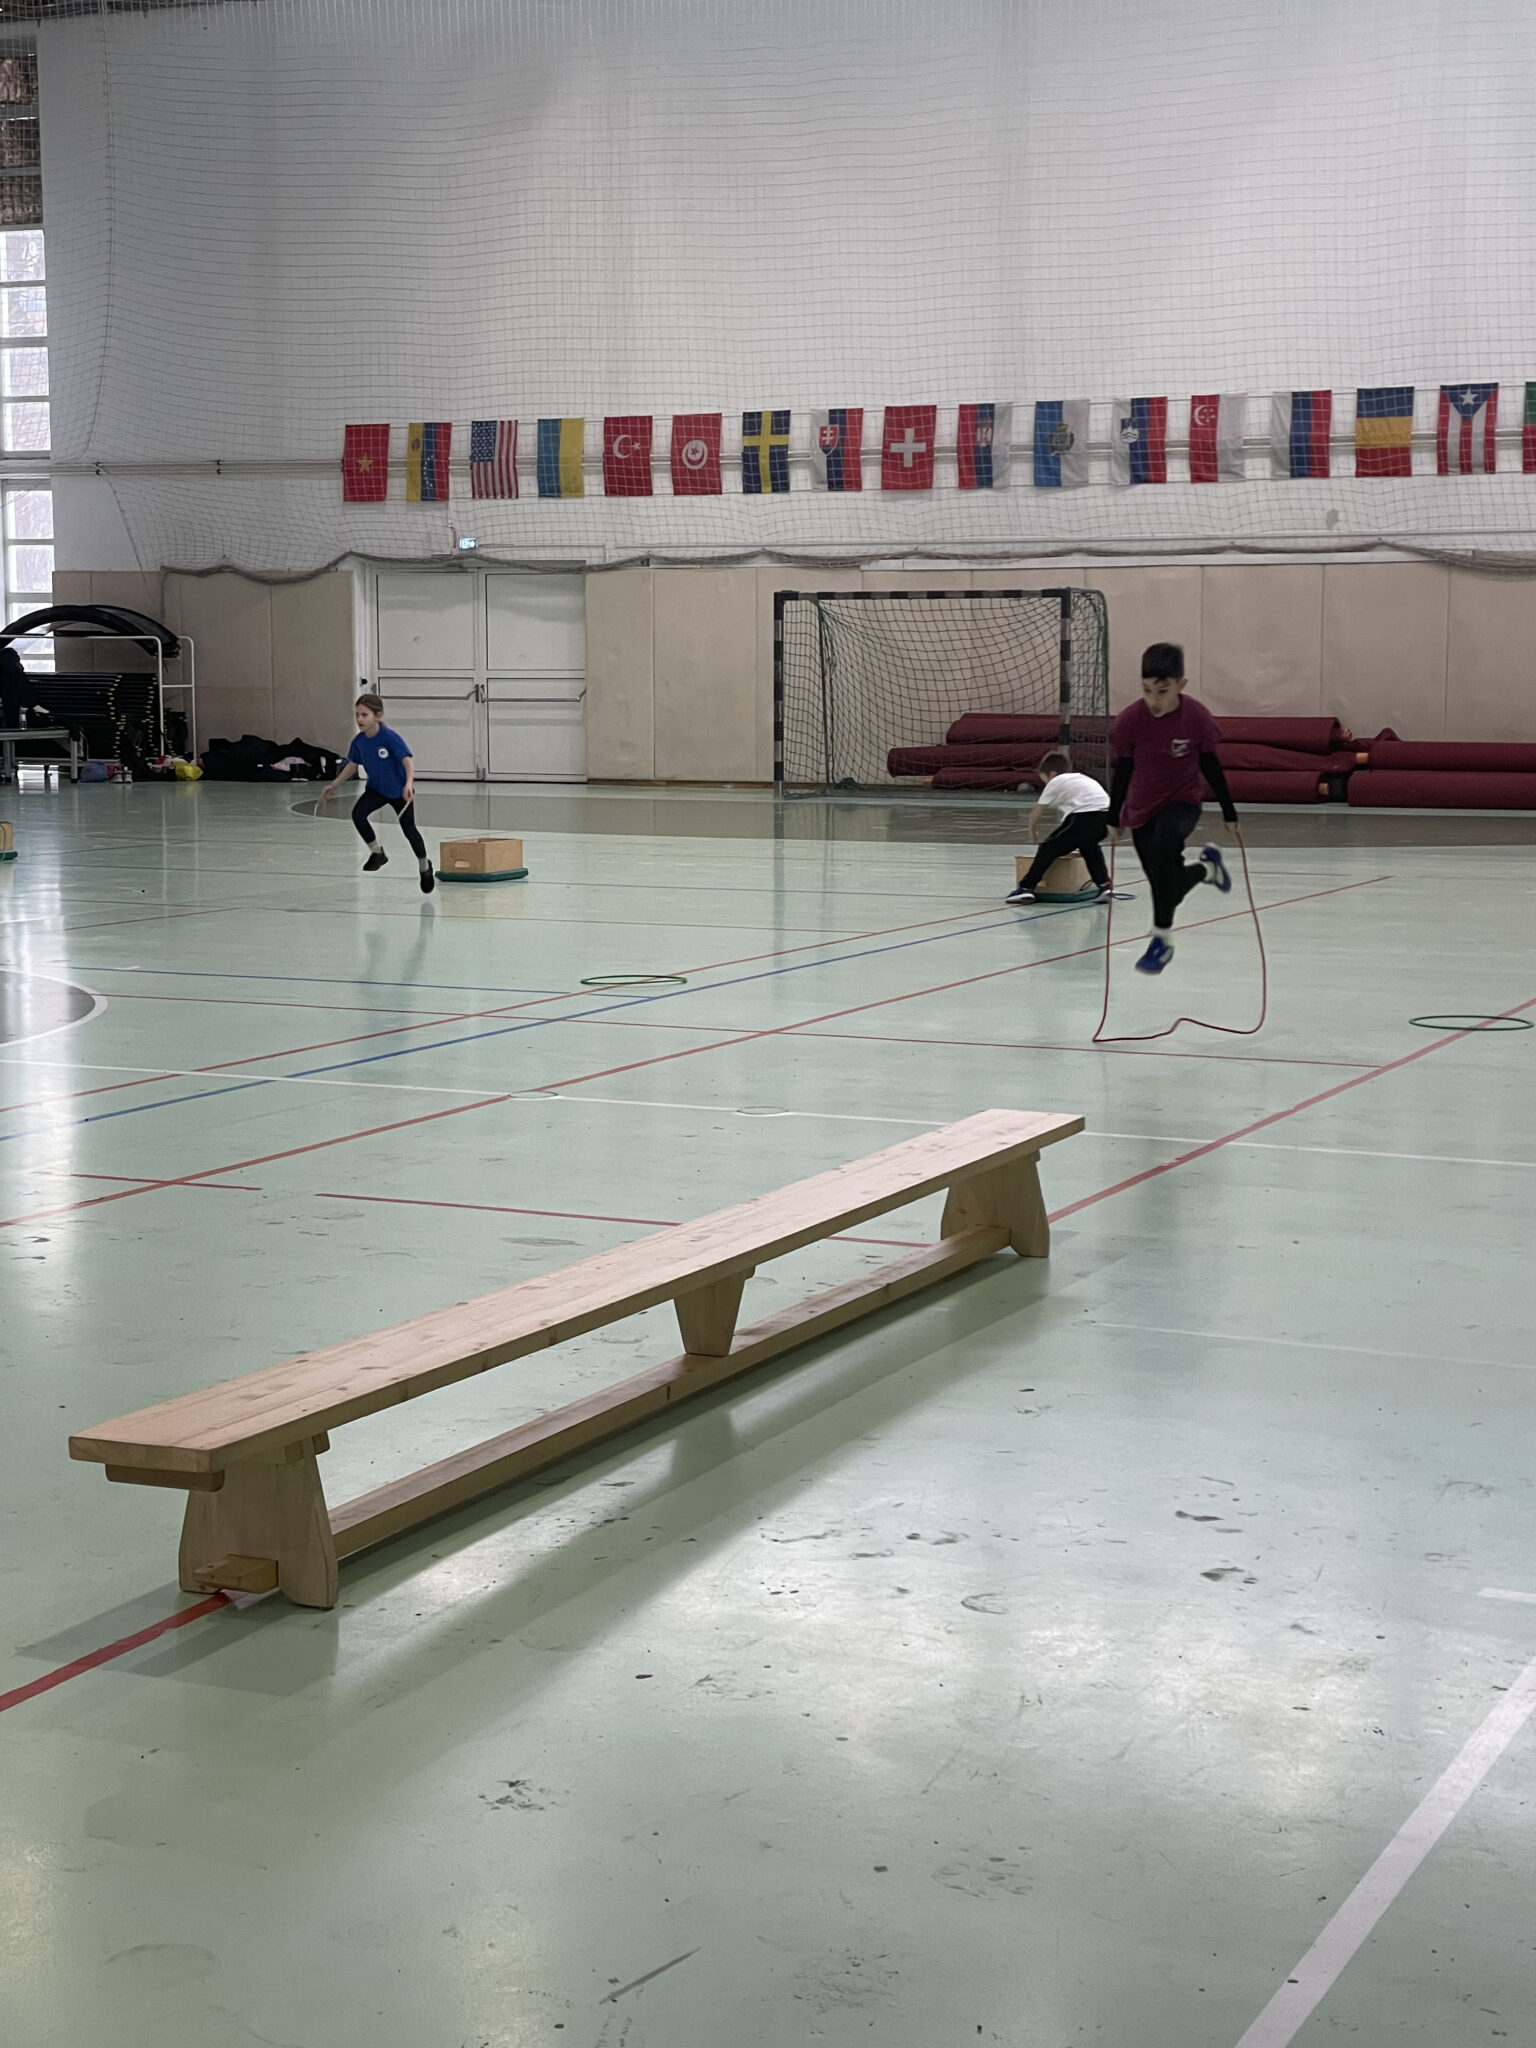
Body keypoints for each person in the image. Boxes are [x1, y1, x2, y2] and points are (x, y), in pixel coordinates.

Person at [1107, 643, 1237, 974]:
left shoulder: (1197, 718)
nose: (1154, 700)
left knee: (1164, 848)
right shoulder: (1129, 721)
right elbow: (1123, 770)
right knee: (1165, 886)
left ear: (1181, 685)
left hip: (1183, 802)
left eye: (1162, 691)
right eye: (1147, 690)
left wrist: (1229, 810)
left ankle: (1161, 941)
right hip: (1141, 809)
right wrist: (1113, 815)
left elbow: (1210, 764)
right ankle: (1206, 869)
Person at [321, 693, 435, 894]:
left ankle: (424, 866)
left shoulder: (389, 738)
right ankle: (377, 853)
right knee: (358, 815)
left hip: (399, 791)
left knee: (409, 830)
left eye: (364, 715)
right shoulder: (359, 741)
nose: (359, 719)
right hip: (376, 789)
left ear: (378, 715)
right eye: (357, 715)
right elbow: (353, 764)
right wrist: (334, 784)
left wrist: (408, 784)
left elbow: (407, 762)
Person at [1005, 749, 1114, 904]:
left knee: (1047, 848)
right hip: (1106, 818)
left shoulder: (1056, 781)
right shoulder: (1081, 778)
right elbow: (1071, 823)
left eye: (1044, 779)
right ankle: (1104, 886)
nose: (1046, 784)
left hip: (1085, 817)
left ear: (1051, 774)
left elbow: (1036, 813)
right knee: (1089, 846)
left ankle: (1026, 887)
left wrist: (1033, 832)